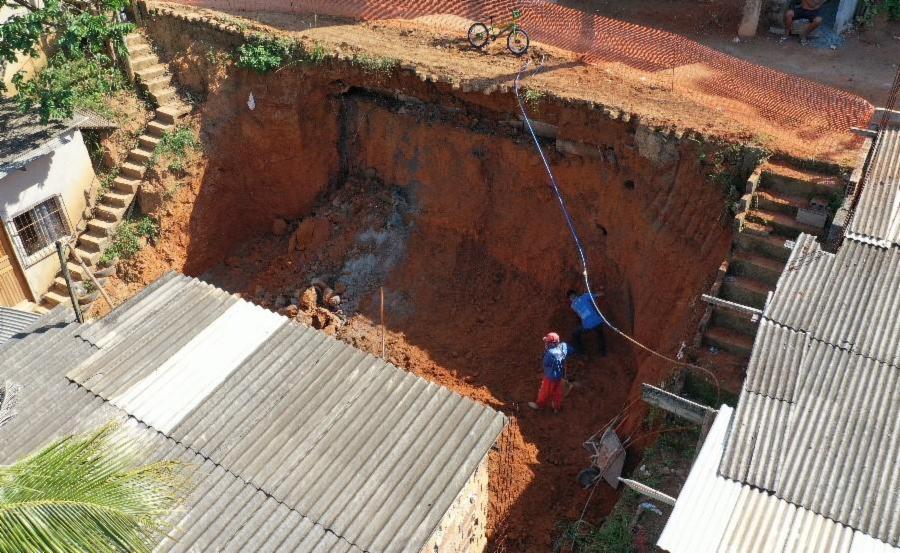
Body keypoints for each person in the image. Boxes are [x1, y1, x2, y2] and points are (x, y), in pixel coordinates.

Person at [528, 332, 570, 412]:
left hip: (550, 377)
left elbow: (546, 364)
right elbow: (565, 349)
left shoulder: (550, 353)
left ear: (551, 343)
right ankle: (557, 408)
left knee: (544, 391)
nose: (546, 343)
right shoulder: (561, 349)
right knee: (558, 392)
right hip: (559, 375)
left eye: (547, 342)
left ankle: (539, 405)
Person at [568, 288, 607, 357]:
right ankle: (603, 352)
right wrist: (604, 292)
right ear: (576, 294)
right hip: (598, 321)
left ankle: (581, 352)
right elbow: (598, 295)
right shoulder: (585, 296)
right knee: (600, 335)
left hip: (587, 326)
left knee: (575, 334)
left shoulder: (573, 306)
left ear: (570, 298)